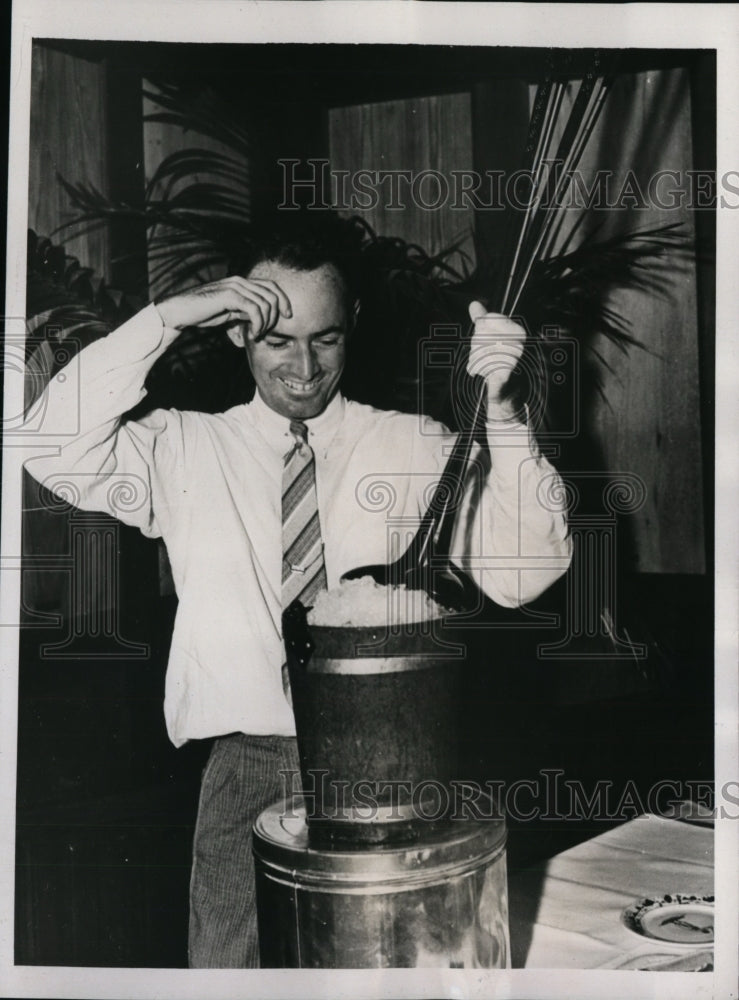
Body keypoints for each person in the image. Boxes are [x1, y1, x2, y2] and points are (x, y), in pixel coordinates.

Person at [24, 223, 572, 968]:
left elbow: (525, 570)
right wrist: (167, 317)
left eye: (326, 338)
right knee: (227, 982)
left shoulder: (411, 445)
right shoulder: (182, 447)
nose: (305, 366)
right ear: (235, 334)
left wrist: (505, 414)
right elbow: (48, 442)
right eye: (278, 340)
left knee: (397, 980)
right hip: (245, 773)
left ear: (352, 331)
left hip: (394, 772)